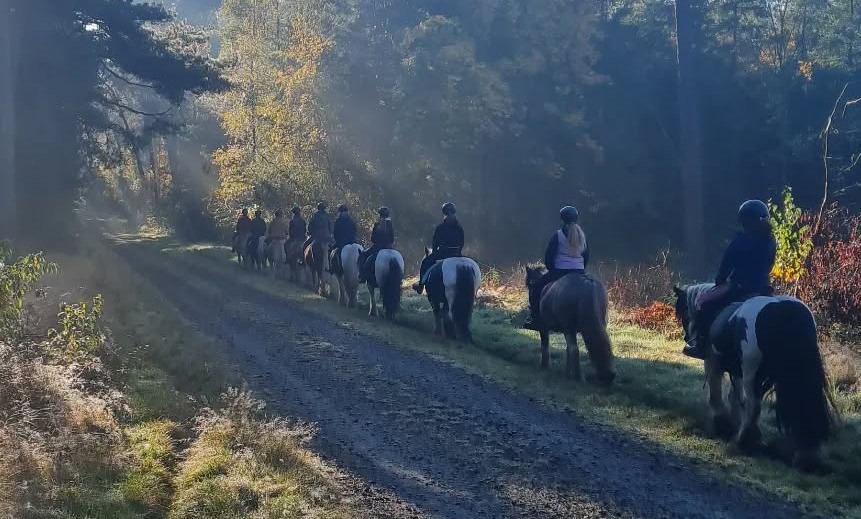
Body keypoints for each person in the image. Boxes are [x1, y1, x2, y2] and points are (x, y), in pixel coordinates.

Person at [682, 199, 777, 359]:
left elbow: (724, 269)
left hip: (739, 287)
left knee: (702, 301)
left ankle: (700, 345)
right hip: (763, 288)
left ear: (744, 221)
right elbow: (769, 267)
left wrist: (720, 283)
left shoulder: (740, 240)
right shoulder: (771, 241)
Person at [522, 206, 590, 331]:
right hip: (579, 272)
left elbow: (549, 257)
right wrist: (580, 270)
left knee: (536, 287)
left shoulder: (558, 235)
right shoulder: (582, 236)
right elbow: (586, 257)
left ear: (562, 220)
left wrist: (552, 269)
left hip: (560, 272)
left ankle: (535, 319)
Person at [413, 202, 465, 294]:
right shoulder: (459, 227)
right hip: (456, 254)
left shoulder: (440, 227)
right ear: (454, 212)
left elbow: (435, 243)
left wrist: (434, 252)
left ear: (444, 213)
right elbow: (462, 243)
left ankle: (420, 286)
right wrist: (458, 252)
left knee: (425, 262)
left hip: (442, 253)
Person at [358, 206, 396, 283]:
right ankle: (399, 279)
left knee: (363, 255)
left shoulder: (376, 224)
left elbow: (373, 239)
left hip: (377, 248)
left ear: (380, 215)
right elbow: (392, 239)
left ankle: (363, 277)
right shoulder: (390, 225)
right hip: (389, 248)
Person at [329, 204, 358, 273]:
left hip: (341, 243)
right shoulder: (351, 221)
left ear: (340, 212)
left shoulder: (338, 221)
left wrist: (337, 241)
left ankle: (331, 269)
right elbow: (355, 231)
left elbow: (336, 234)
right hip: (352, 242)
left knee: (330, 252)